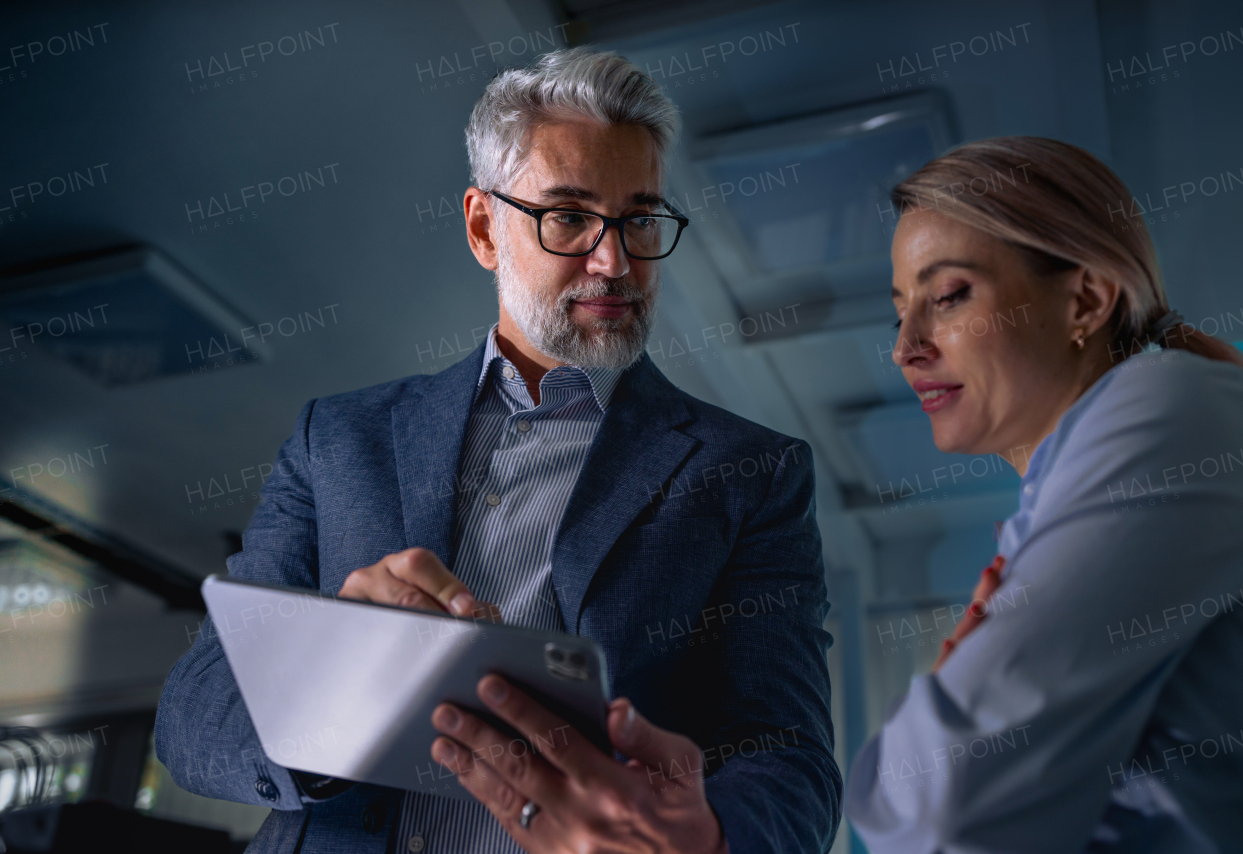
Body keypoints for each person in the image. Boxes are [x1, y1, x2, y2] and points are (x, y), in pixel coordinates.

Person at [155, 47, 841, 854]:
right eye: (571, 216)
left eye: (640, 219)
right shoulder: (338, 440)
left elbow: (786, 755)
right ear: (485, 227)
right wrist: (336, 672)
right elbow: (194, 715)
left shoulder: (751, 472)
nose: (614, 261)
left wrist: (710, 838)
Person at [845, 136, 1243, 852]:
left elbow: (947, 799)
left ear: (1086, 299)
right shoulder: (1047, 509)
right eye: (901, 312)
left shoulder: (1174, 403)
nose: (906, 347)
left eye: (949, 295)